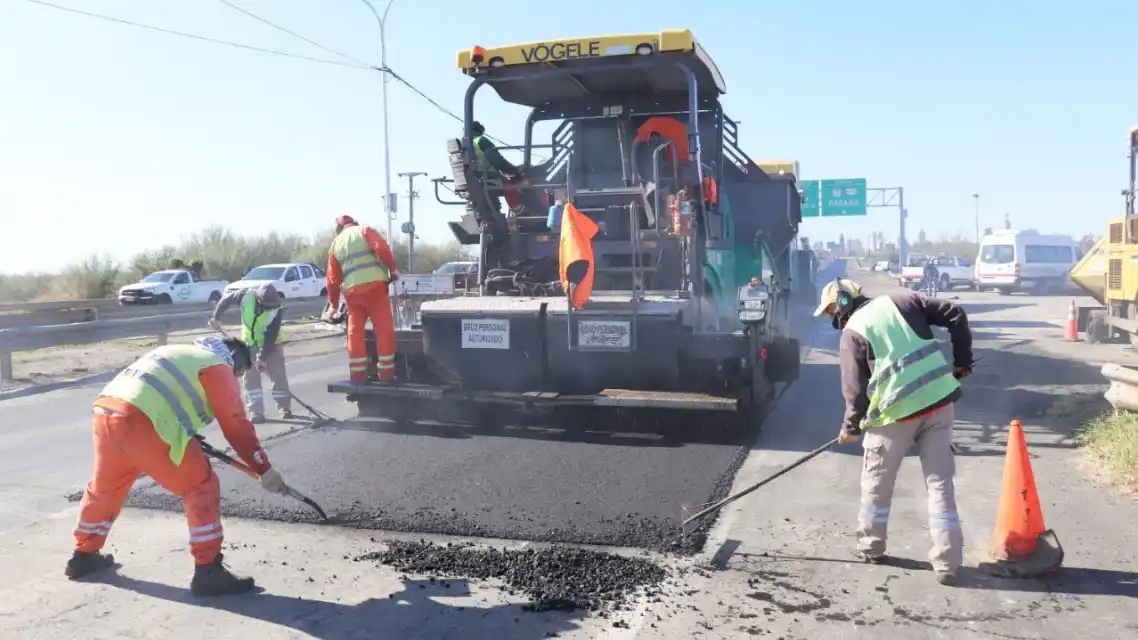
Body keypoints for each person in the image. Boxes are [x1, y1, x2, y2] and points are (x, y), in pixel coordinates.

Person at [65, 336, 290, 597]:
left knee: (106, 488)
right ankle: (209, 571)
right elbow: (237, 426)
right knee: (201, 485)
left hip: (107, 413)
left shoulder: (177, 353)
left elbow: (164, 393)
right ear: (235, 360)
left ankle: (84, 555)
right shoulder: (217, 366)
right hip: (145, 422)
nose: (237, 378)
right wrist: (263, 468)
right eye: (239, 373)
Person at [813, 277, 973, 586]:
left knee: (877, 482)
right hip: (939, 404)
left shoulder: (852, 333)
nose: (832, 317)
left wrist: (850, 428)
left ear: (842, 303)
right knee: (940, 485)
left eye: (832, 310)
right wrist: (963, 362)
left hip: (894, 416)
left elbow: (854, 390)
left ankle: (871, 546)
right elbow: (955, 313)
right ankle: (948, 563)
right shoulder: (905, 301)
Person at [323, 215, 399, 383]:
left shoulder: (335, 245)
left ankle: (358, 375)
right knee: (383, 329)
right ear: (354, 223)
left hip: (352, 293)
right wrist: (392, 269)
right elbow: (382, 249)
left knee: (354, 332)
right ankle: (386, 374)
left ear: (339, 230)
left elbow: (332, 280)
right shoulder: (364, 230)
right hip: (375, 288)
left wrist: (334, 306)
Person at [208, 283, 292, 423]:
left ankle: (284, 408)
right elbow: (226, 300)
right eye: (266, 305)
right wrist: (216, 318)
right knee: (250, 378)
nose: (269, 308)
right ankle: (256, 412)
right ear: (258, 299)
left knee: (278, 376)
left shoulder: (277, 310)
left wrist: (262, 357)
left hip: (272, 345)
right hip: (249, 344)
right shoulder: (246, 296)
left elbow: (270, 336)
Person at [471, 121, 525, 217]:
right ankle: (521, 213)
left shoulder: (467, 144)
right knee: (512, 185)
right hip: (489, 178)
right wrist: (515, 170)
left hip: (476, 179)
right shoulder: (482, 141)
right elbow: (498, 161)